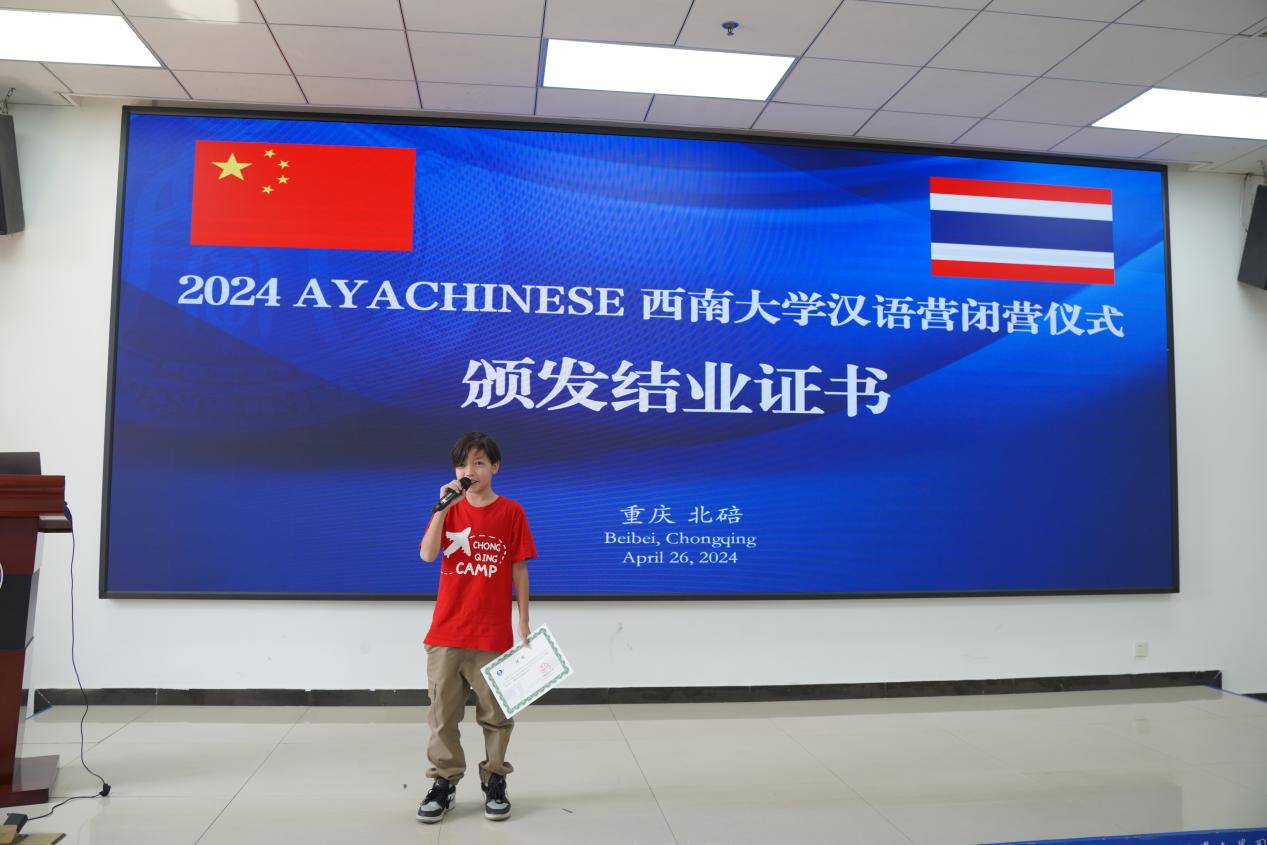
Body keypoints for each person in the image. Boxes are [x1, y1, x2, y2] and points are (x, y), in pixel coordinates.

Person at [415, 432, 535, 823]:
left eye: (479, 463)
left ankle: (495, 779)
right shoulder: (449, 509)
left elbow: (519, 568)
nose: (471, 471)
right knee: (442, 717)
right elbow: (428, 554)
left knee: (497, 715)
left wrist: (523, 620)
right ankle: (444, 783)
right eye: (463, 464)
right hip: (446, 633)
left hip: (492, 634)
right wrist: (441, 509)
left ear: (495, 467)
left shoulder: (511, 511)